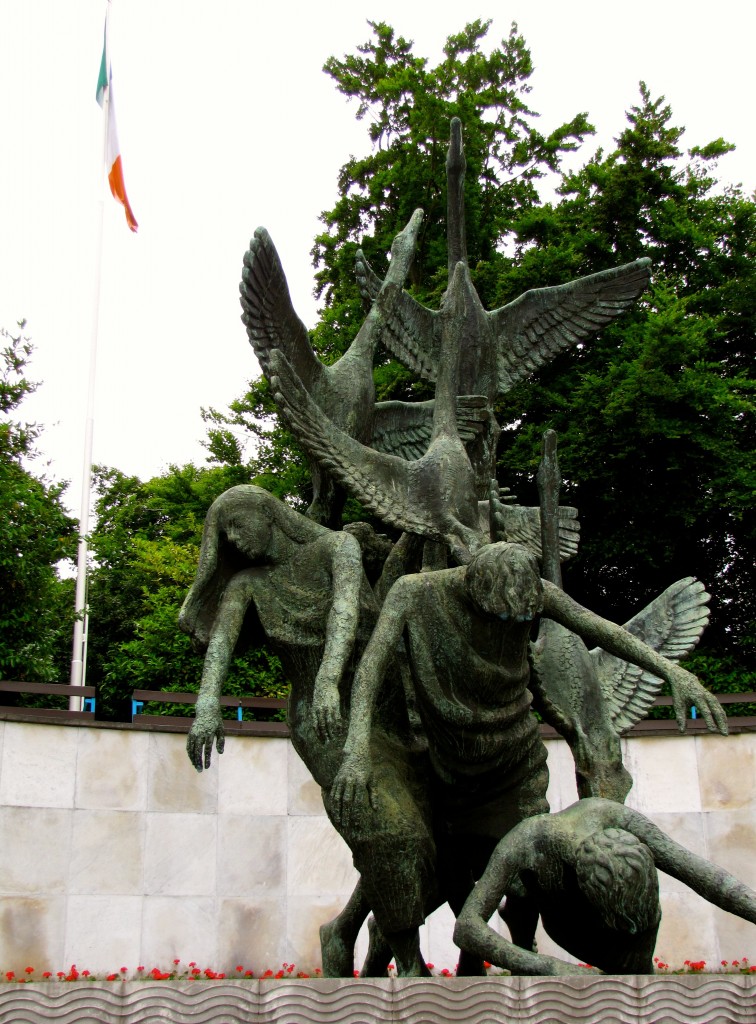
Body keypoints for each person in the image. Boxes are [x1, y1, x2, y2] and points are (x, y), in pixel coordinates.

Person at [330, 540, 728, 961]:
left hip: (516, 764)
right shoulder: (414, 592)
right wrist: (356, 749)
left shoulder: (538, 594)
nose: (510, 626)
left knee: (530, 879)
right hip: (447, 768)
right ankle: (395, 947)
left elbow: (602, 629)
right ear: (474, 589)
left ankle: (519, 956)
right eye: (502, 616)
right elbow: (371, 668)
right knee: (438, 869)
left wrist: (671, 670)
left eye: (519, 618)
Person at [179, 484, 435, 977]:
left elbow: (344, 612)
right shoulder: (246, 585)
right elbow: (221, 647)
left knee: (425, 831)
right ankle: (409, 963)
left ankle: (345, 932)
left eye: (236, 524)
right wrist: (207, 705)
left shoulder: (337, 547)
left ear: (265, 513)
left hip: (384, 709)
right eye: (223, 534)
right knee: (388, 827)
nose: (233, 539)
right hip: (322, 722)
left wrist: (330, 679)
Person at [453, 796, 756, 976]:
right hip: (575, 927)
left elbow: (704, 875)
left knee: (638, 973)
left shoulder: (611, 817)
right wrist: (548, 967)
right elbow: (466, 926)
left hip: (633, 923)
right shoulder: (527, 841)